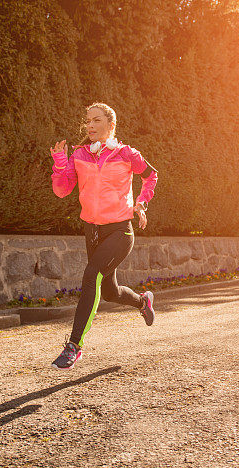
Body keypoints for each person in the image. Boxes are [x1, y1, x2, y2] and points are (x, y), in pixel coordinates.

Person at [48, 102, 158, 370]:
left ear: (111, 125)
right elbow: (62, 190)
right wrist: (61, 164)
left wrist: (141, 203)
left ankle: (74, 345)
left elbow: (151, 176)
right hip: (93, 231)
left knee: (90, 275)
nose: (90, 126)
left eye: (96, 121)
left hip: (120, 230)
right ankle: (143, 301)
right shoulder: (79, 155)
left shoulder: (127, 154)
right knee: (109, 291)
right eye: (87, 121)